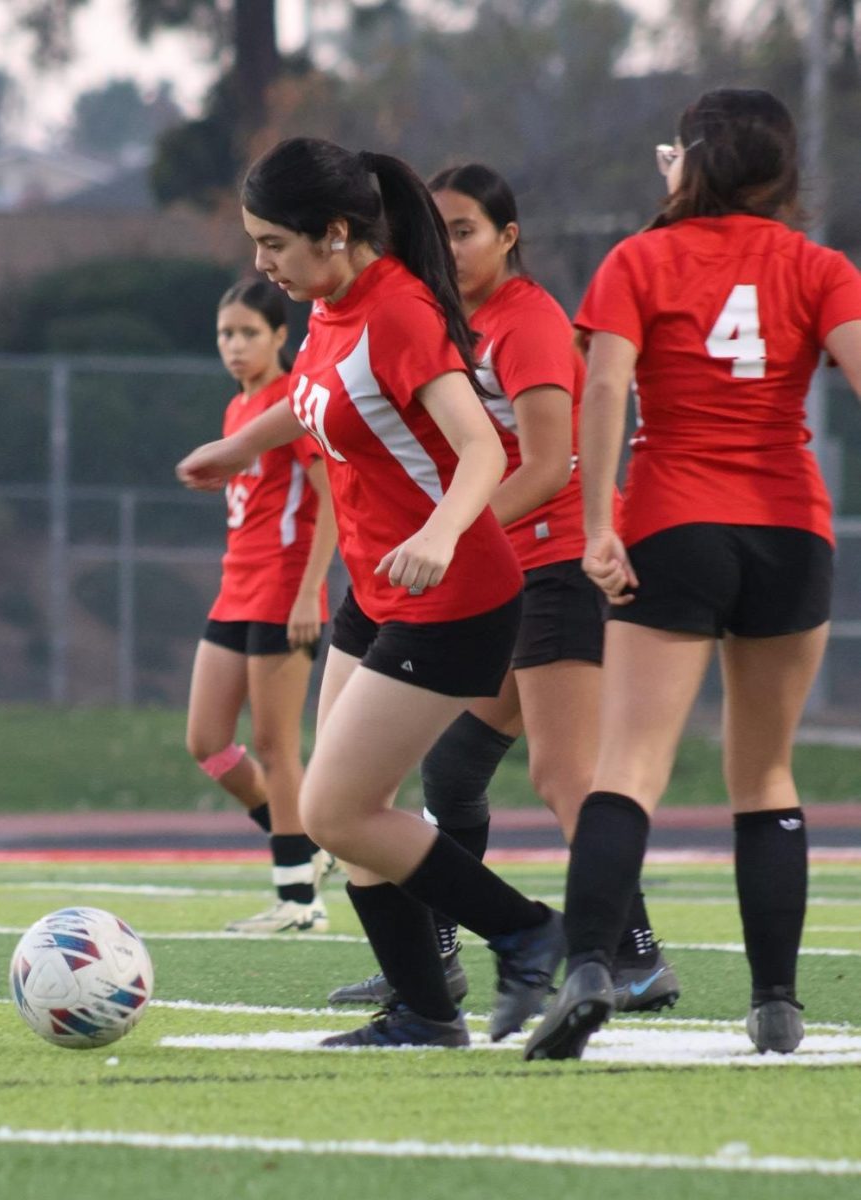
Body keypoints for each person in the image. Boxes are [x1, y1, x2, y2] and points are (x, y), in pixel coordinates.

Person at [177, 136, 565, 1048]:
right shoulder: (330, 304)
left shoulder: (396, 312)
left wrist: (440, 531)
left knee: (333, 810)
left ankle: (526, 931)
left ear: (335, 232)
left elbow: (481, 447)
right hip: (380, 589)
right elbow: (315, 395)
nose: (260, 263)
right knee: (351, 819)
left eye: (272, 243)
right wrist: (240, 447)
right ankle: (428, 1012)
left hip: (454, 591)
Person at [524, 88, 861, 1060]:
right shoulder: (817, 265)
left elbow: (602, 382)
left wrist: (597, 526)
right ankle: (774, 1004)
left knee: (628, 766)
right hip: (788, 529)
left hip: (673, 522)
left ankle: (588, 964)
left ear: (695, 161)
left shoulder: (640, 258)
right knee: (762, 772)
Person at [326, 163, 679, 1030]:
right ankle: (432, 959)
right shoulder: (444, 316)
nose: (447, 247)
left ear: (507, 237)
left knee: (566, 777)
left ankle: (626, 956)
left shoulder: (526, 320)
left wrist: (451, 527)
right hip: (493, 570)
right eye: (435, 229)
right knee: (451, 767)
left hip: (551, 562)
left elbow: (549, 464)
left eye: (465, 230)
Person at [187, 278, 338, 933]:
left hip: (284, 588)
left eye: (250, 332)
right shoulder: (236, 409)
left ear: (282, 336)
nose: (236, 345)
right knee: (209, 743)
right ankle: (307, 846)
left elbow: (335, 496)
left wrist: (310, 589)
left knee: (278, 746)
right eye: (227, 333)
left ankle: (299, 901)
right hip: (235, 586)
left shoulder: (293, 402)